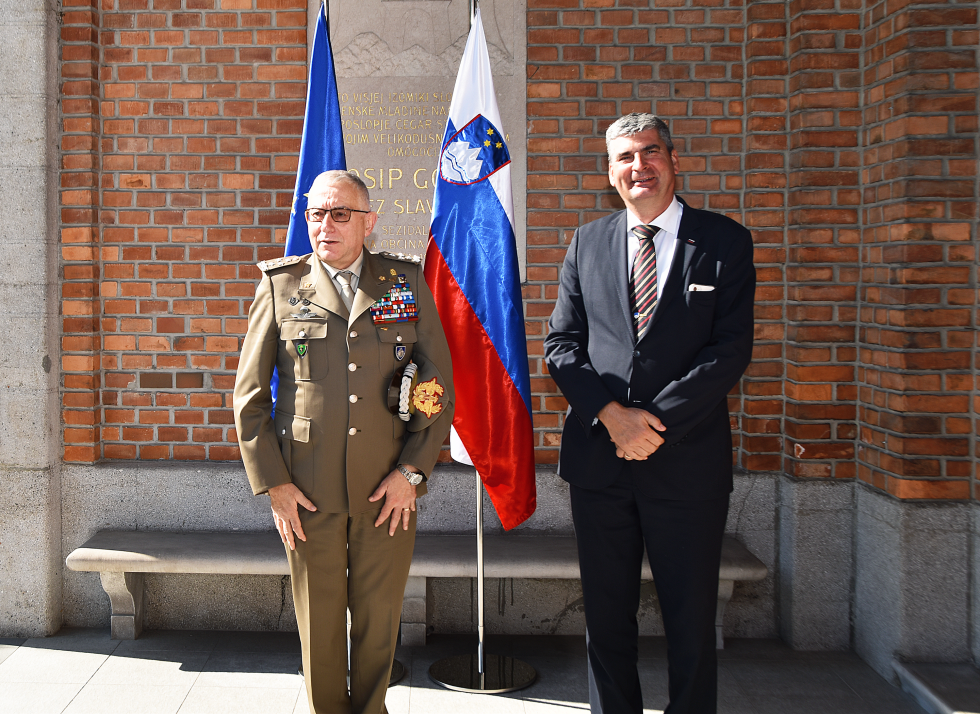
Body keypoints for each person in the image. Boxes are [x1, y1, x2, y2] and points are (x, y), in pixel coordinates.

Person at [544, 113, 755, 714]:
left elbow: (729, 350)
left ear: (673, 159)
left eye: (651, 153)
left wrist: (651, 425)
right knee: (606, 622)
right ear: (610, 174)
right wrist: (612, 417)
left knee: (690, 623)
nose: (640, 167)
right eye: (625, 158)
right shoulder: (587, 241)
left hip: (687, 467)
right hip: (600, 465)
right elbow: (561, 345)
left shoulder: (723, 241)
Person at [233, 170, 454, 714]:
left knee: (379, 624)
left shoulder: (404, 283)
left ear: (368, 222)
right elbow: (250, 399)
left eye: (339, 214)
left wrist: (412, 474)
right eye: (315, 214)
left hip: (388, 490)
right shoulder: (281, 286)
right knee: (320, 624)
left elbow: (436, 390)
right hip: (307, 491)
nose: (324, 225)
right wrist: (275, 486)